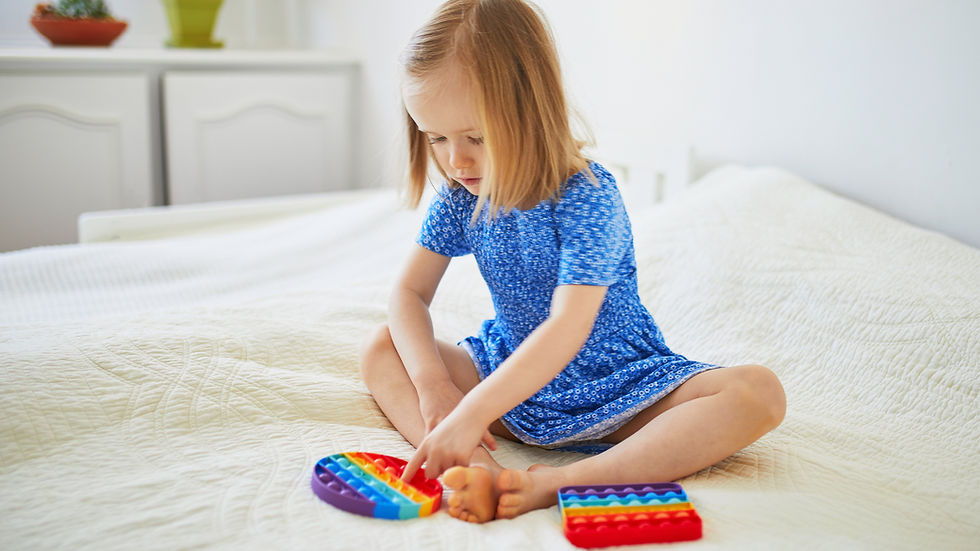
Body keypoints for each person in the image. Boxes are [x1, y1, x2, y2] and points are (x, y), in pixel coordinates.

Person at [360, 0, 786, 524]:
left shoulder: (587, 196)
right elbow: (407, 295)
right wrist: (437, 390)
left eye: (476, 137)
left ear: (530, 110)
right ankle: (473, 468)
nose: (456, 160)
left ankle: (561, 483)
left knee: (757, 393)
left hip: (620, 386)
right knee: (383, 347)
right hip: (509, 380)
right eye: (437, 138)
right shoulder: (462, 195)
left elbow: (569, 325)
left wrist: (473, 410)